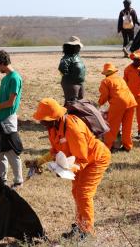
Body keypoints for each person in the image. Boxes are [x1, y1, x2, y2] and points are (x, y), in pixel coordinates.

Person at [27, 98, 111, 240]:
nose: (41, 123)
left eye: (43, 120)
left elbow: (82, 159)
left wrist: (65, 171)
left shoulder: (73, 129)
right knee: (76, 192)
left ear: (54, 117)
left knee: (84, 193)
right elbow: (55, 150)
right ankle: (80, 226)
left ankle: (87, 232)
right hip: (78, 161)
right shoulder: (53, 127)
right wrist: (39, 161)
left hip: (95, 160)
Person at [0, 50, 23, 188]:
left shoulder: (14, 78)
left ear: (1, 63)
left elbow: (10, 103)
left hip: (8, 118)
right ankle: (3, 180)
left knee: (11, 151)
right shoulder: (5, 78)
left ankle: (18, 181)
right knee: (0, 152)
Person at [98, 62, 137, 152]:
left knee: (112, 126)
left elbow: (104, 96)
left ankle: (107, 147)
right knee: (127, 126)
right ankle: (127, 146)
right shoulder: (120, 79)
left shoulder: (105, 81)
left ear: (106, 73)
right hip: (131, 102)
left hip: (118, 104)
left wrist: (98, 104)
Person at [58, 36, 86, 103]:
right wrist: (68, 77)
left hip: (79, 83)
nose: (79, 48)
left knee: (80, 101)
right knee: (72, 102)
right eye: (77, 46)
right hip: (71, 84)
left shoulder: (76, 56)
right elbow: (62, 67)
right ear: (72, 47)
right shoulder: (67, 57)